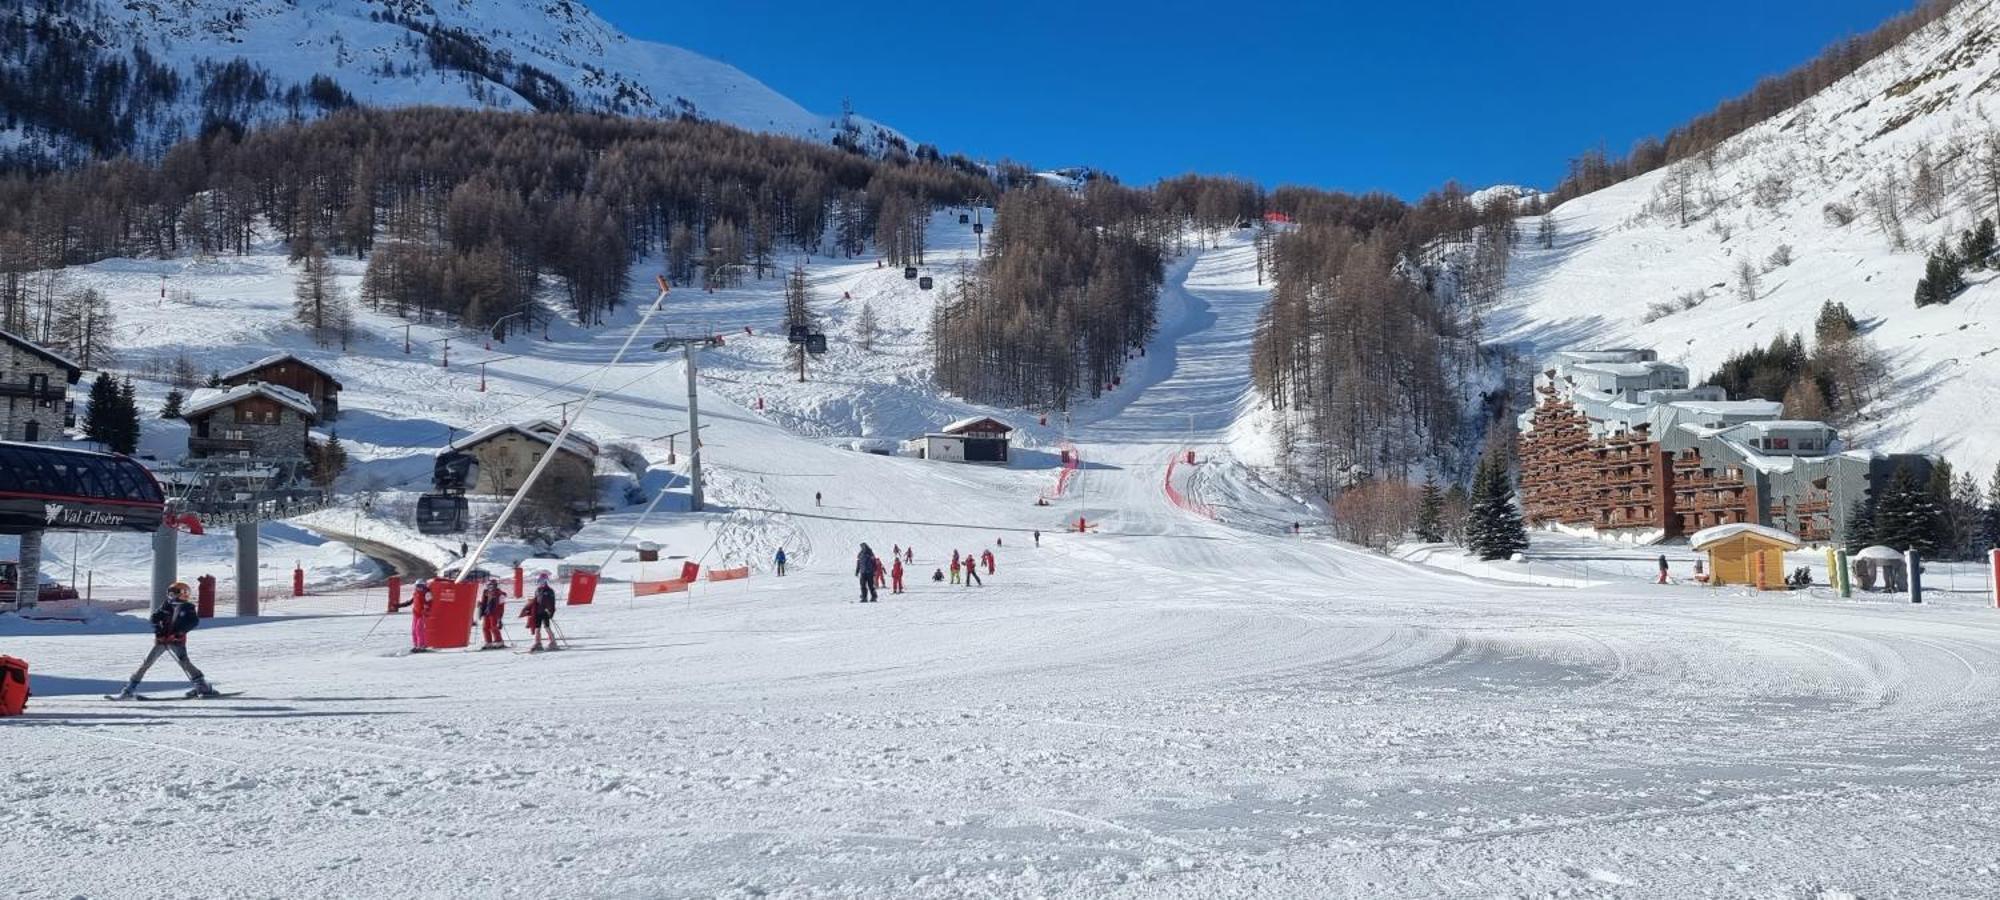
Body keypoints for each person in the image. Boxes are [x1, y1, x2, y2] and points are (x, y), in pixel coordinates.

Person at [115, 582, 218, 699]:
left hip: (176, 640)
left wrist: (179, 633)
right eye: (170, 593)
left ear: (183, 594)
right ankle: (129, 689)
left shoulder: (188, 607)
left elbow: (193, 622)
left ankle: (202, 686)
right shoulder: (166, 604)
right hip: (162, 640)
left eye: (175, 593)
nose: (171, 595)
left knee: (184, 662)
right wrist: (158, 632)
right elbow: (154, 618)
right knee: (146, 663)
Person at [527, 573, 559, 651]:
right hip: (538, 611)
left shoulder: (550, 591)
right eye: (540, 581)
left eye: (543, 581)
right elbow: (536, 600)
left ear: (546, 581)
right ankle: (538, 643)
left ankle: (553, 642)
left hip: (545, 612)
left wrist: (551, 611)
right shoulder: (538, 590)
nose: (541, 582)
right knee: (537, 628)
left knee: (546, 627)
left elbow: (552, 602)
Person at [399, 581, 433, 652]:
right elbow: (409, 602)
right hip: (416, 614)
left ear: (424, 586)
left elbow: (430, 603)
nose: (419, 588)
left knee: (419, 630)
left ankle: (422, 646)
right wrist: (398, 605)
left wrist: (426, 609)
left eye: (420, 586)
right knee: (414, 630)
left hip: (422, 614)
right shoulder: (416, 593)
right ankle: (416, 645)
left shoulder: (427, 593)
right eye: (417, 586)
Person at [478, 578, 507, 649]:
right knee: (485, 628)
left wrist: (500, 617)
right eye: (489, 586)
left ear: (495, 586)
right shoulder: (486, 592)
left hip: (495, 613)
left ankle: (499, 642)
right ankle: (488, 642)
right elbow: (485, 602)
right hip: (487, 612)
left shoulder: (499, 594)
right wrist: (480, 605)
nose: (490, 587)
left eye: (492, 586)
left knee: (493, 627)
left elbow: (501, 606)